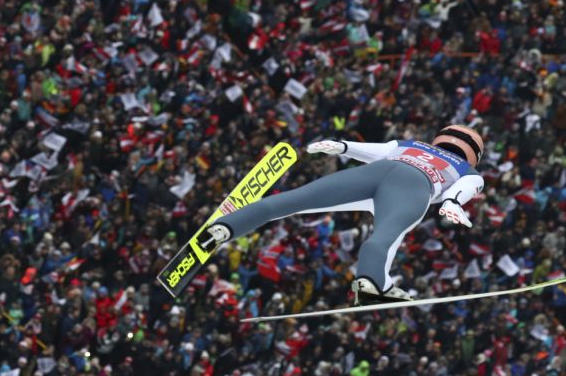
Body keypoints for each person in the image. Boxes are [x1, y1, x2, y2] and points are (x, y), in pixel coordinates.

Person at [198, 126, 486, 305]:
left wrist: (342, 146)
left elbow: (376, 150)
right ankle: (371, 282)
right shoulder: (469, 171)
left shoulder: (414, 145)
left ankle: (223, 227)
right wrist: (452, 203)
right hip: (414, 187)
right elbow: (463, 189)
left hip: (375, 172)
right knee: (385, 237)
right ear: (474, 154)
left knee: (294, 200)